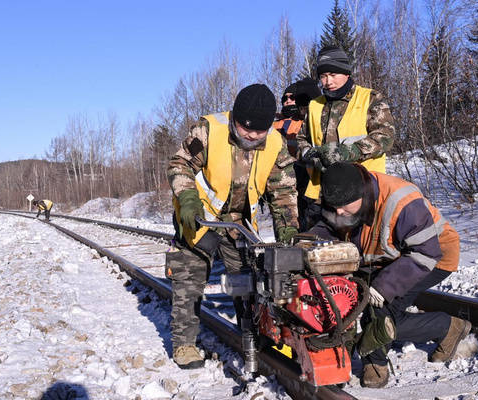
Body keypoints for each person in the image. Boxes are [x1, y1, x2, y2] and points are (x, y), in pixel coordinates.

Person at [166, 83, 299, 369]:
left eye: (257, 132)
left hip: (239, 223)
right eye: (243, 128)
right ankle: (185, 344)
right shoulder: (209, 129)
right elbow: (179, 164)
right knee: (189, 278)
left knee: (251, 282)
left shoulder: (276, 143)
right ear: (235, 118)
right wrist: (188, 198)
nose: (250, 135)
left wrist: (288, 233)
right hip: (200, 217)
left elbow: (283, 193)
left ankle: (253, 335)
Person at [309, 162, 470, 388]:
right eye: (335, 206)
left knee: (376, 314)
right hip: (387, 257)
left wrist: (384, 286)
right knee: (353, 301)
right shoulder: (342, 199)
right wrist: (308, 245)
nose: (338, 212)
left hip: (432, 256)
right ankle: (444, 327)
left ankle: (379, 363)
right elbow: (326, 227)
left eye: (344, 207)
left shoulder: (403, 202)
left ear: (363, 195)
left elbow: (425, 253)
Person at [296, 46, 396, 230]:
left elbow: (386, 136)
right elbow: (301, 140)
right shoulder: (315, 105)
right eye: (323, 76)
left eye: (333, 74)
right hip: (322, 195)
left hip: (361, 193)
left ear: (346, 73)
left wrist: (350, 151)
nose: (327, 81)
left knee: (361, 249)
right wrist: (311, 156)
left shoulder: (369, 98)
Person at [273, 78, 322, 227]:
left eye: (291, 97)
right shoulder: (275, 122)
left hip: (309, 178)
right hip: (285, 181)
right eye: (284, 98)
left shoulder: (308, 120)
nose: (288, 101)